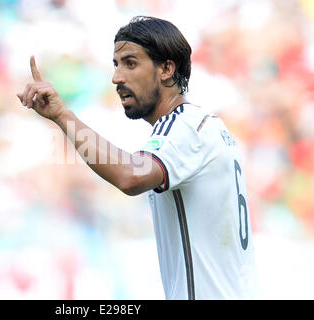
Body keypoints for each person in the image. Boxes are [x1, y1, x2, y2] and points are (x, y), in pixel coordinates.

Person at [17, 16, 259, 300]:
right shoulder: (203, 126)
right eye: (116, 65)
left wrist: (62, 115)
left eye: (130, 63)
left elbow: (130, 177)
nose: (117, 77)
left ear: (167, 69)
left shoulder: (184, 126)